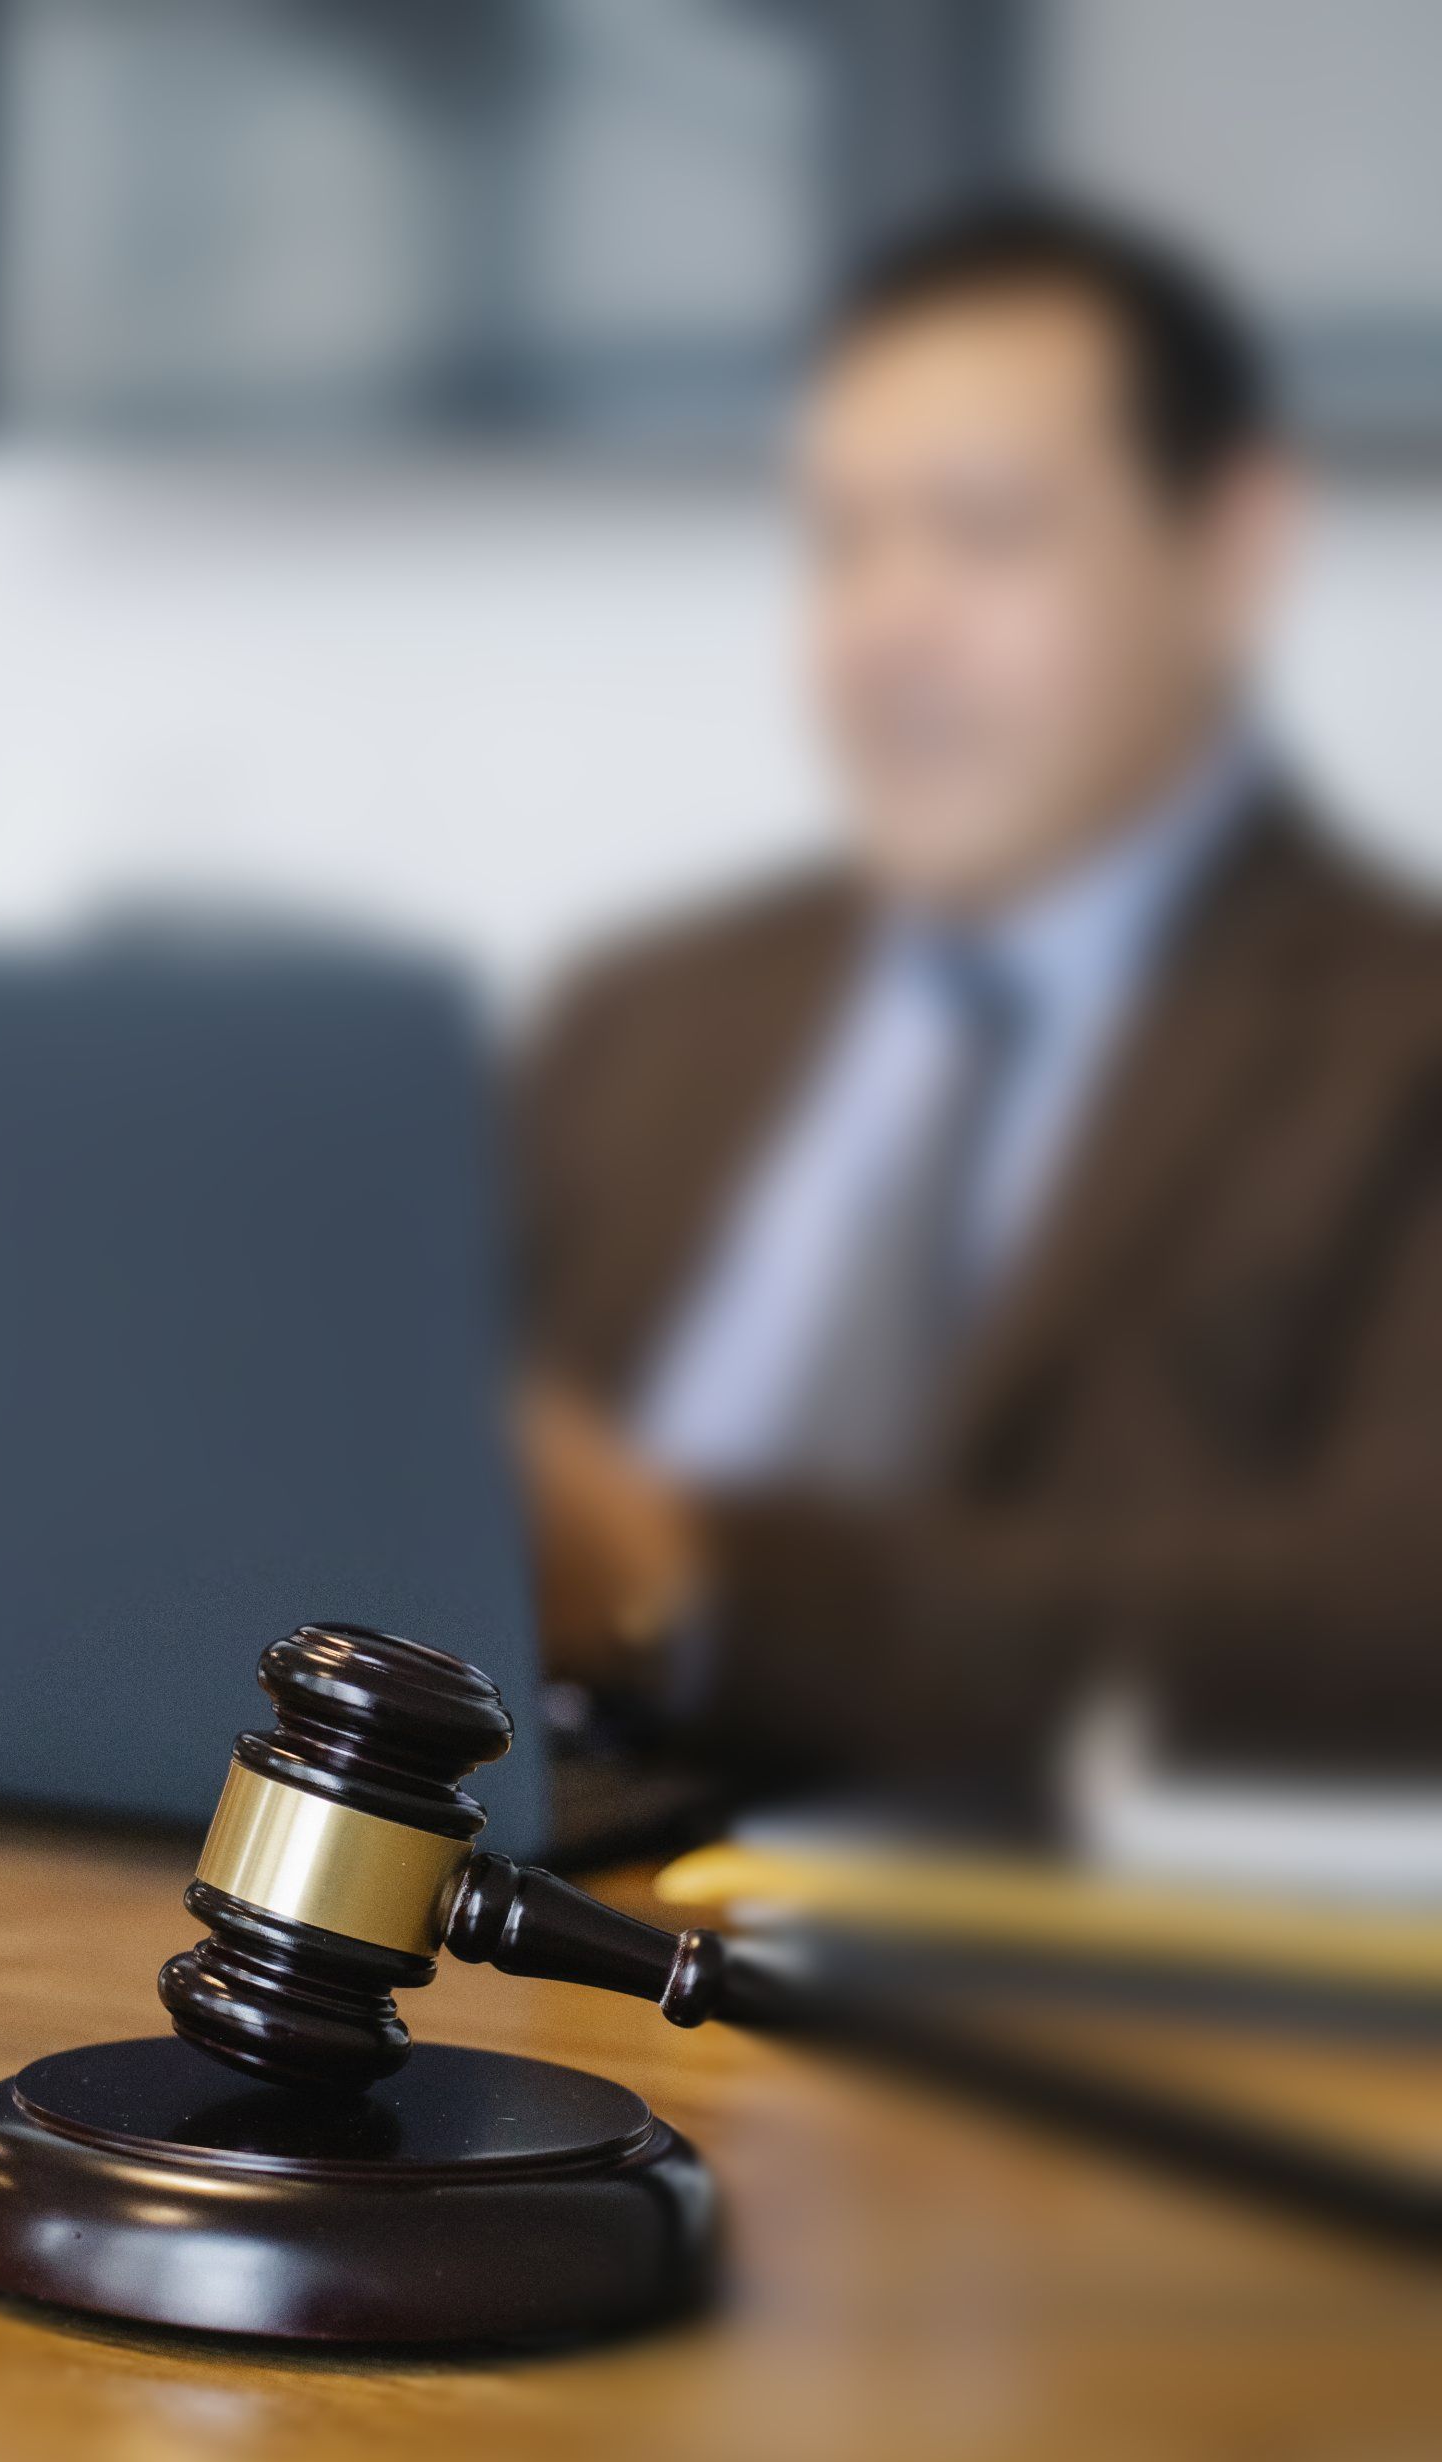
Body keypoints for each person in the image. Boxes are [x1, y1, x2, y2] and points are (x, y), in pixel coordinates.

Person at [517, 197, 1442, 1797]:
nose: (884, 624)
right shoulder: (647, 1014)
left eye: (985, 529)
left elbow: (1390, 1623)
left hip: (1010, 1969)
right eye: (843, 542)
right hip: (473, 1902)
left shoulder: (1394, 1043)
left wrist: (691, 1578)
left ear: (1227, 554)